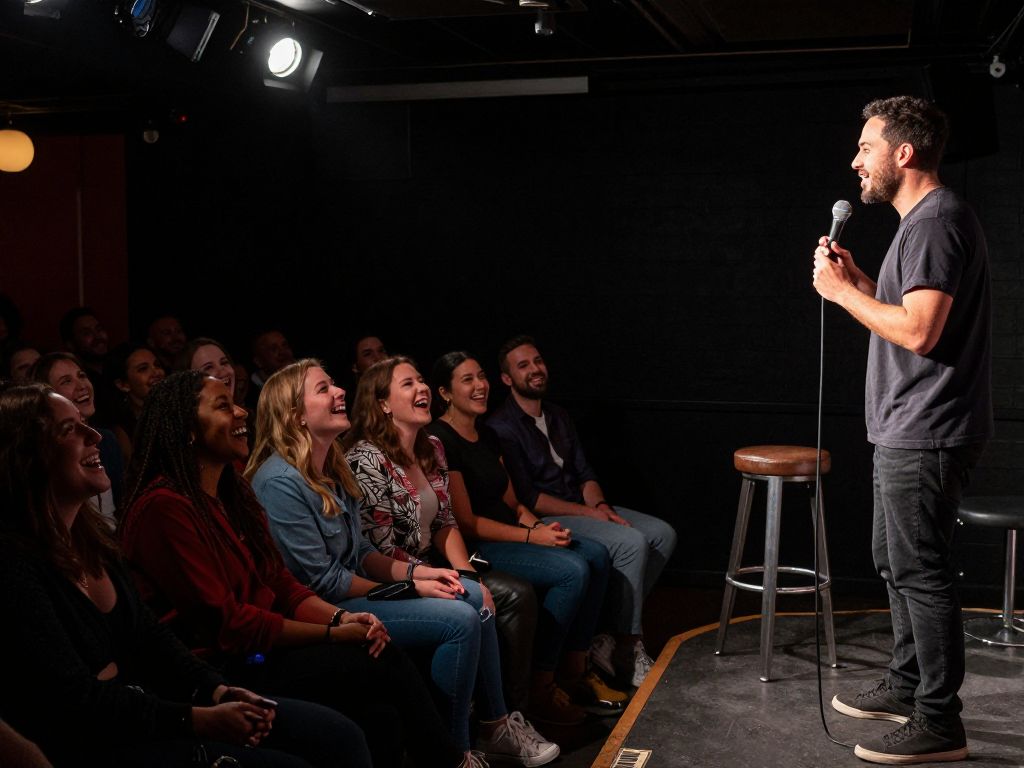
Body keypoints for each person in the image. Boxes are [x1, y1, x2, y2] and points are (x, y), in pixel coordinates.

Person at [0, 382, 371, 768]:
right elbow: (78, 701)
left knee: (345, 730)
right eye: (69, 430)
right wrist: (194, 717)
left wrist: (216, 692)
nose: (94, 435)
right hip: (98, 741)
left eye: (84, 424)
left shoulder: (95, 543)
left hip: (160, 700)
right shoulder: (14, 566)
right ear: (27, 456)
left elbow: (151, 636)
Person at [120, 370, 463, 768]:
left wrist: (342, 617)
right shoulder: (165, 507)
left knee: (381, 714)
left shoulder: (232, 491)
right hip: (216, 670)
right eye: (223, 406)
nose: (240, 412)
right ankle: (454, 760)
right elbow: (230, 624)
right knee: (390, 659)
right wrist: (335, 633)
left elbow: (280, 582)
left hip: (259, 649)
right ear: (187, 428)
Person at [248, 359, 558, 767]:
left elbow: (362, 553)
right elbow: (323, 582)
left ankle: (493, 728)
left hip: (355, 589)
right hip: (321, 612)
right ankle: (456, 752)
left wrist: (421, 573)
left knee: (469, 596)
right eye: (324, 389)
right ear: (294, 415)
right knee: (460, 617)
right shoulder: (282, 481)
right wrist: (412, 585)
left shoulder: (330, 466)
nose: (340, 392)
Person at [812, 96, 991, 765]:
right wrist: (861, 279)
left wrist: (842, 294)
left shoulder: (937, 221)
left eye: (866, 147)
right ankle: (908, 681)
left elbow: (920, 332)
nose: (856, 160)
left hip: (927, 427)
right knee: (899, 564)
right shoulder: (922, 223)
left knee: (922, 571)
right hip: (908, 426)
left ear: (903, 153)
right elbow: (912, 314)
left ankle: (939, 721)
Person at [428, 351, 627, 721]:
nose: (480, 386)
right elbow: (466, 522)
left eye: (481, 376)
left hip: (511, 532)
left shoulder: (486, 433)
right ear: (445, 392)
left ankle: (576, 669)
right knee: (572, 570)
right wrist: (529, 539)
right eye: (467, 380)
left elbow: (514, 503)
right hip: (479, 546)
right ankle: (543, 685)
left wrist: (538, 527)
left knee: (596, 555)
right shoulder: (440, 439)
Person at [487, 335, 677, 688]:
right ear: (507, 379)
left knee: (661, 534)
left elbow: (585, 473)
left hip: (582, 504)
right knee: (632, 542)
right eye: (523, 365)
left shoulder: (558, 415)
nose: (535, 369)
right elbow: (529, 499)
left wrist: (601, 506)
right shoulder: (502, 426)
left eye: (538, 361)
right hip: (547, 516)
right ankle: (627, 646)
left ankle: (604, 635)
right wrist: (592, 515)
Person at [32, 351, 125, 521]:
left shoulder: (107, 440)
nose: (82, 385)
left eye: (82, 376)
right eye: (67, 381)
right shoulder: (50, 451)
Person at [108, 342, 166, 464]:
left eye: (157, 365)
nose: (156, 372)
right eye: (143, 369)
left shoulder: (178, 412)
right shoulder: (121, 433)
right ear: (123, 385)